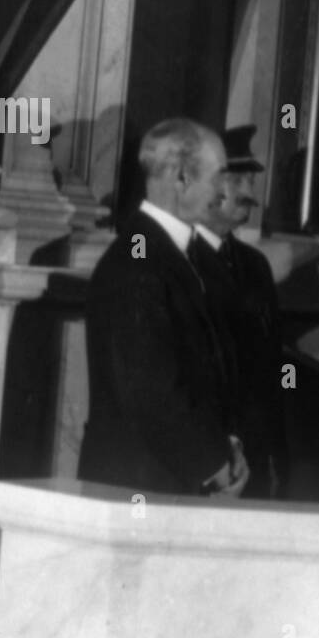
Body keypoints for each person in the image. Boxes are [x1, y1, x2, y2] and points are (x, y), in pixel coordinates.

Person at [79, 118, 249, 497]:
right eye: (218, 175)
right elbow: (151, 390)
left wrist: (227, 446)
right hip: (143, 487)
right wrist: (214, 465)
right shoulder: (138, 261)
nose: (224, 191)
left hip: (169, 481)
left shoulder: (181, 254)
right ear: (181, 178)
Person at [192, 125, 288, 499]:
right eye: (237, 180)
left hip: (256, 454)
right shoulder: (181, 262)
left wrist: (277, 455)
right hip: (208, 460)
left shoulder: (254, 265)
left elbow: (272, 368)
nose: (250, 194)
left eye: (251, 180)